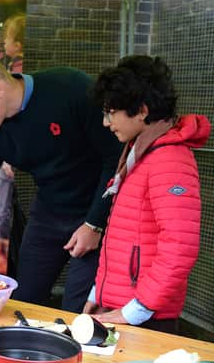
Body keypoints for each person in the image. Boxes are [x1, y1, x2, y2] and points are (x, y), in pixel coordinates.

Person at [0, 54, 123, 312]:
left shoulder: (70, 88)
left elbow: (115, 159)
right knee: (23, 301)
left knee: (78, 309)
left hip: (99, 212)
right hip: (49, 213)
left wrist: (94, 223)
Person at [84, 55, 211, 334]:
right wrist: (98, 294)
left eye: (111, 112)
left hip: (145, 316)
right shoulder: (141, 151)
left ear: (141, 110)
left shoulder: (169, 160)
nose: (106, 123)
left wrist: (137, 310)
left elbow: (180, 247)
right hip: (121, 307)